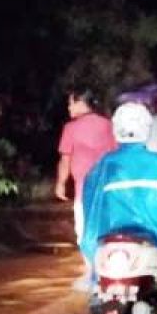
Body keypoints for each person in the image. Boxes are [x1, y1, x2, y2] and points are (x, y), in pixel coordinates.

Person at [81, 102, 157, 313]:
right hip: (156, 239)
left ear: (117, 130)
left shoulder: (103, 166)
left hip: (109, 247)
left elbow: (88, 202)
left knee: (96, 282)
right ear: (146, 129)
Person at [55, 88, 116, 290]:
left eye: (71, 102)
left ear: (81, 103)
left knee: (84, 232)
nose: (68, 107)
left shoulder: (70, 129)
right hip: (108, 191)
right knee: (106, 231)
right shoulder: (108, 125)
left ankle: (92, 273)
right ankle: (108, 272)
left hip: (84, 192)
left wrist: (60, 183)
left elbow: (65, 159)